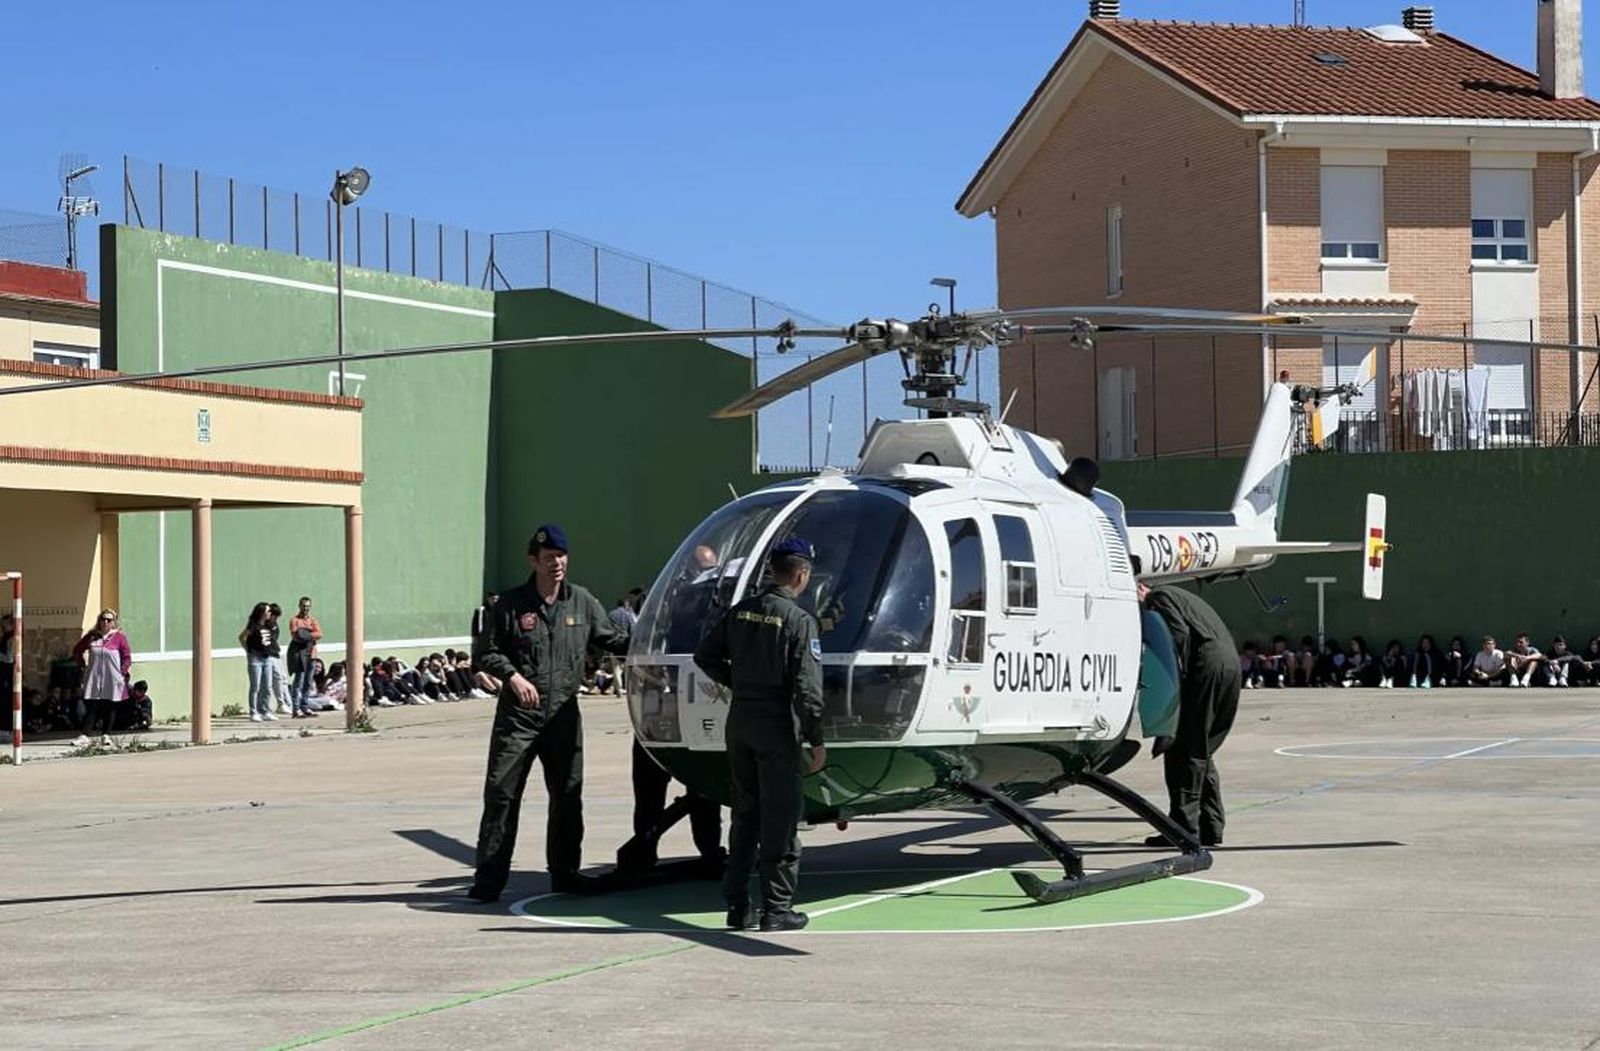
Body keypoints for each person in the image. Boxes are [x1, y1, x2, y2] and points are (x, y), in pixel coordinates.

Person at [468, 524, 631, 903]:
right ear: (533, 560)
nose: (556, 563)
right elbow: (487, 653)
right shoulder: (510, 605)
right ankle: (489, 880)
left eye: (561, 556)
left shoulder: (582, 602)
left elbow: (611, 639)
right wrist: (512, 677)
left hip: (563, 715)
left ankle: (566, 873)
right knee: (501, 795)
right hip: (519, 717)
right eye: (548, 558)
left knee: (568, 796)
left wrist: (659, 634)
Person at [694, 536, 826, 933]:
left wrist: (740, 682)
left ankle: (737, 906)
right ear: (801, 576)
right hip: (776, 724)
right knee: (781, 819)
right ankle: (776, 909)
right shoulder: (798, 620)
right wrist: (817, 737)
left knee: (745, 815)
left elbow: (705, 655)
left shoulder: (742, 612)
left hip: (741, 722)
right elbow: (807, 687)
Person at [1137, 569, 1239, 849]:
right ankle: (1211, 827)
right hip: (1226, 663)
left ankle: (1182, 828)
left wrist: (1172, 683)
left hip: (1205, 665)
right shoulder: (1180, 596)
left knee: (1184, 746)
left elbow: (1177, 637)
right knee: (1201, 746)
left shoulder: (1158, 598)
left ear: (1140, 589)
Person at [71, 610, 132, 747]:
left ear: (114, 622)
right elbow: (77, 650)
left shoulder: (119, 637)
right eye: (103, 619)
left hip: (112, 677)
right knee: (92, 706)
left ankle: (106, 735)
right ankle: (85, 735)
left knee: (110, 706)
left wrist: (122, 671)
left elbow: (127, 656)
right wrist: (82, 665)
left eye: (109, 620)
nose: (105, 622)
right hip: (94, 677)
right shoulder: (92, 637)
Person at [239, 602, 280, 721]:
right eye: (268, 611)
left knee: (267, 686)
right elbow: (242, 637)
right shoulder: (253, 626)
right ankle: (253, 712)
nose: (270, 613)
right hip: (255, 659)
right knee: (255, 686)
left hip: (267, 658)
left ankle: (265, 710)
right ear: (262, 613)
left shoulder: (268, 625)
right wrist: (248, 650)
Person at [287, 596, 323, 718]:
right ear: (299, 606)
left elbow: (319, 634)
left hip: (311, 654)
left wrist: (305, 634)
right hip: (299, 654)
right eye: (303, 606)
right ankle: (296, 709)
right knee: (299, 681)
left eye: (308, 606)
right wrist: (309, 634)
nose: (305, 608)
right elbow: (296, 636)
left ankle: (305, 706)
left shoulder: (313, 620)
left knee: (308, 682)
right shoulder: (294, 620)